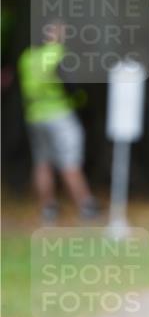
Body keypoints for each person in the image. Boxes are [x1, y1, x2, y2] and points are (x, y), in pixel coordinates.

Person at [18, 21, 98, 223]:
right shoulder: (58, 54)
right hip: (59, 113)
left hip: (34, 115)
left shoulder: (27, 57)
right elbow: (72, 85)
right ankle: (86, 206)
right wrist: (81, 101)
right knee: (70, 161)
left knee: (42, 163)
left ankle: (48, 209)